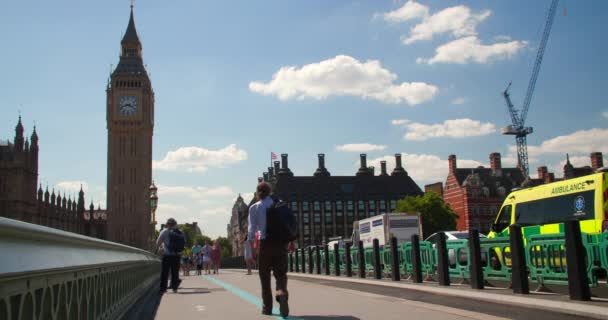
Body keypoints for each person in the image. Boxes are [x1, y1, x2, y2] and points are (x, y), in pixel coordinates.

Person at [248, 182, 291, 317]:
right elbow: (288, 223)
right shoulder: (279, 203)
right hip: (280, 244)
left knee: (264, 278)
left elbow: (252, 231)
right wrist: (291, 241)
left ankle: (267, 307)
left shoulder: (254, 207)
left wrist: (253, 250)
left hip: (264, 245)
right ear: (270, 191)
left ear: (257, 193)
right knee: (281, 274)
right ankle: (281, 292)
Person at [156, 218, 182, 294]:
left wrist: (159, 248)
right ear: (175, 224)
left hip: (167, 255)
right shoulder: (179, 232)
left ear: (167, 224)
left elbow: (158, 242)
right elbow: (183, 243)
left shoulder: (164, 231)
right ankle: (175, 288)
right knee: (175, 272)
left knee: (165, 272)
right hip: (177, 255)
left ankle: (163, 289)